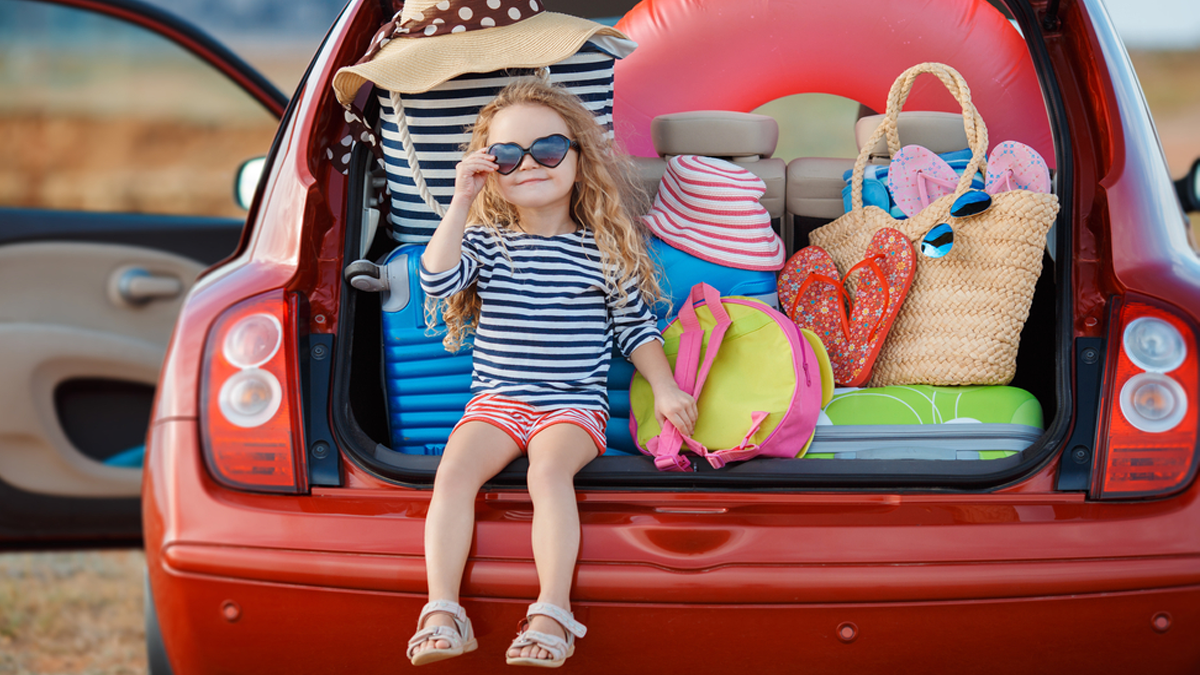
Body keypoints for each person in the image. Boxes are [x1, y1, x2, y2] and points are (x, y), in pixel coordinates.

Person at [406, 76, 698, 668]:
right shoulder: (486, 245)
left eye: (548, 149)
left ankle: (553, 614)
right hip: (497, 402)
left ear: (578, 157)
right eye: (507, 156)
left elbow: (635, 330)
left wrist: (665, 387)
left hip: (572, 405)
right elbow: (434, 279)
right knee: (453, 474)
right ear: (491, 171)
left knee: (547, 473)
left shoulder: (603, 251)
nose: (529, 165)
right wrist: (460, 200)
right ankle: (443, 611)